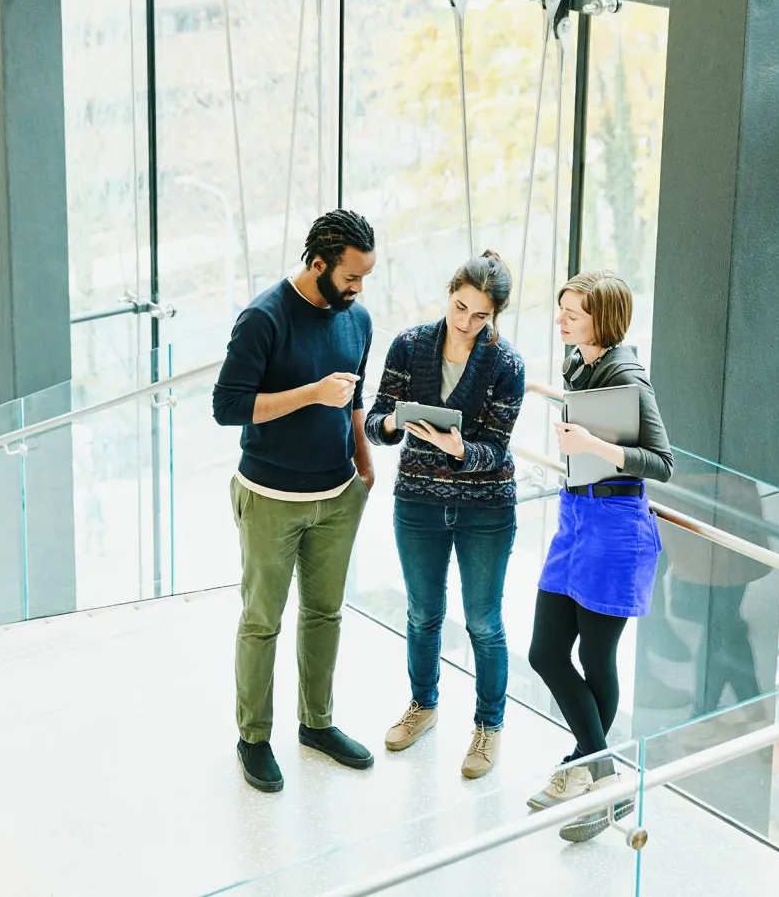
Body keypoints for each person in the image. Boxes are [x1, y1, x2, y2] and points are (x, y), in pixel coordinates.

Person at [212, 210, 378, 794]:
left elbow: (355, 399)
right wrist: (312, 394)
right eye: (352, 277)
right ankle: (253, 738)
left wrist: (363, 458)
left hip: (338, 495)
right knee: (262, 621)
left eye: (365, 278)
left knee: (326, 614)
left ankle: (318, 724)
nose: (359, 289)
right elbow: (228, 406)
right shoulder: (264, 317)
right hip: (270, 498)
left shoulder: (357, 319)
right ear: (318, 265)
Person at [523, 270, 673, 843]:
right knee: (544, 651)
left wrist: (590, 445)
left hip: (614, 526)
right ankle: (600, 768)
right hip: (577, 518)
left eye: (574, 314)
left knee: (597, 655)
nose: (561, 320)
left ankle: (588, 770)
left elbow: (661, 463)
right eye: (561, 309)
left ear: (603, 321)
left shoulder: (627, 374)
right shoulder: (579, 364)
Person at [364, 251, 525, 780]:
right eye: (460, 307)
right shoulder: (410, 346)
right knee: (422, 613)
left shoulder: (508, 365)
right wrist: (393, 427)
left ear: (494, 315)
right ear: (450, 292)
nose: (466, 322)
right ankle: (423, 705)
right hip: (419, 503)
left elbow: (498, 449)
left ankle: (488, 726)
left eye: (481, 316)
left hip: (486, 510)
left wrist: (460, 451)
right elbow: (376, 418)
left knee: (483, 621)